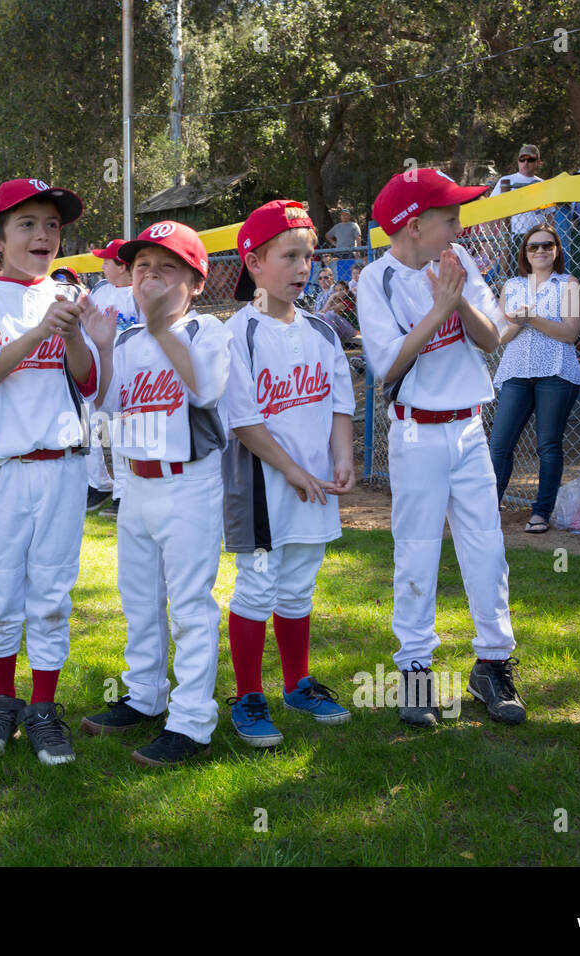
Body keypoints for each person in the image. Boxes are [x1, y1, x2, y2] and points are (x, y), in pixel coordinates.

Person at [357, 168, 525, 727]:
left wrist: (457, 301)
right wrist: (437, 309)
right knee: (418, 549)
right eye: (448, 217)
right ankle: (415, 671)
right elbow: (388, 366)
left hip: (468, 425)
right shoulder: (374, 280)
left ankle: (493, 664)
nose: (458, 224)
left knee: (486, 547)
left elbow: (493, 337)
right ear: (413, 224)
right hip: (415, 430)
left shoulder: (460, 262)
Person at [0, 177, 99, 766]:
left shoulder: (69, 295)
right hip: (3, 468)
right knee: (0, 592)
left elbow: (88, 382)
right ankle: (2, 700)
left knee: (52, 593)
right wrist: (42, 330)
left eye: (53, 225)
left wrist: (70, 338)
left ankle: (42, 707)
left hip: (62, 464)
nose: (43, 235)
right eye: (28, 224)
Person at [78, 220, 232, 766]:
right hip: (136, 483)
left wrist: (162, 324)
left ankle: (191, 721)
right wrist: (98, 344)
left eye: (166, 269)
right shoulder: (124, 338)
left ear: (194, 283)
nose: (149, 278)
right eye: (141, 267)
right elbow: (101, 405)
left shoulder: (206, 331)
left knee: (190, 605)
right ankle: (144, 695)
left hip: (189, 481)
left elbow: (205, 388)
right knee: (139, 599)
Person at [216, 200, 356, 748]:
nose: (304, 267)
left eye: (309, 255)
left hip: (314, 483)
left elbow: (340, 403)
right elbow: (245, 422)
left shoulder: (322, 330)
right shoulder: (239, 332)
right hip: (262, 486)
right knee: (256, 586)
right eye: (289, 255)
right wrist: (295, 471)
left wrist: (340, 458)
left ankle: (298, 684)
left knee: (298, 585)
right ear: (253, 261)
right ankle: (249, 695)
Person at [487, 227, 580, 532]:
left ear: (557, 249)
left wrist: (532, 318)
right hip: (516, 371)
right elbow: (499, 337)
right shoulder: (512, 286)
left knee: (548, 445)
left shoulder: (568, 284)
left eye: (547, 245)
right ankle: (486, 511)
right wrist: (519, 321)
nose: (540, 251)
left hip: (556, 371)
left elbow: (570, 334)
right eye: (533, 247)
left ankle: (540, 513)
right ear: (525, 253)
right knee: (499, 444)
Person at [84, 238, 137, 514]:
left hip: (128, 373)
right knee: (89, 426)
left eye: (108, 261)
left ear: (123, 266)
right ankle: (98, 484)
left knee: (119, 433)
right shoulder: (101, 290)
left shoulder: (139, 292)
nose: (103, 266)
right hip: (100, 370)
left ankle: (123, 492)